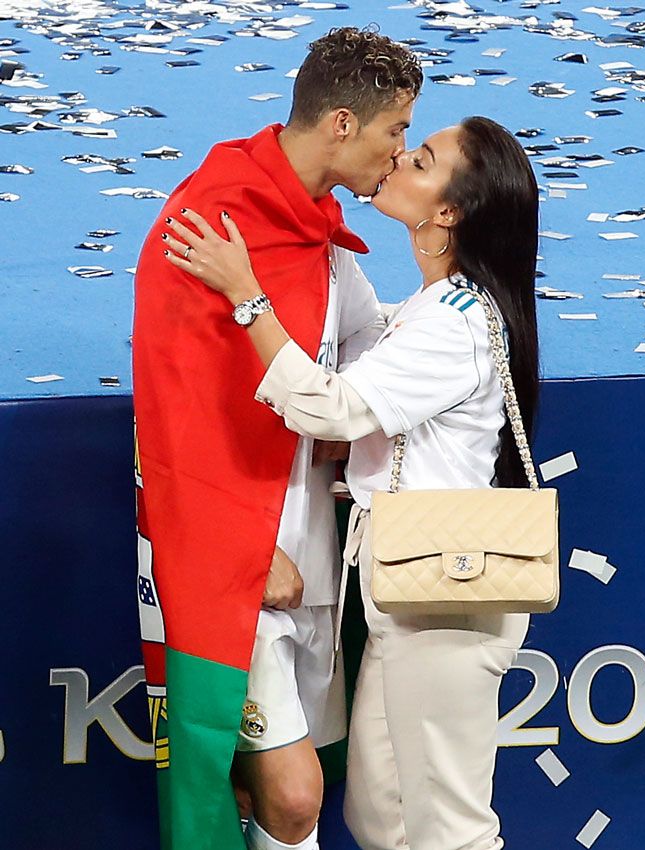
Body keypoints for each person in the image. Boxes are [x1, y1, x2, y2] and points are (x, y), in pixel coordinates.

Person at [162, 114, 541, 850]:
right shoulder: (435, 307)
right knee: (381, 819)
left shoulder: (454, 322)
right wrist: (317, 245)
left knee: (449, 830)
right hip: (407, 596)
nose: (400, 155)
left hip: (447, 600)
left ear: (448, 212)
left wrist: (247, 296)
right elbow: (362, 341)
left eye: (423, 158)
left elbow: (332, 408)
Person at [133, 27, 422, 850]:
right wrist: (247, 553)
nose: (398, 154)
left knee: (287, 796)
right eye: (394, 130)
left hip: (313, 548)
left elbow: (362, 339)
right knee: (293, 796)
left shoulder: (310, 225)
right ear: (340, 124)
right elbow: (172, 423)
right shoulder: (207, 228)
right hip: (238, 564)